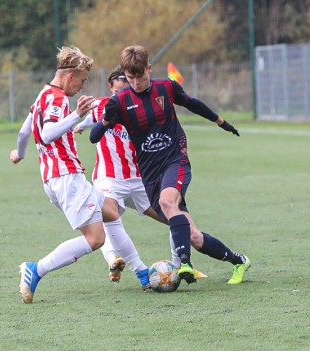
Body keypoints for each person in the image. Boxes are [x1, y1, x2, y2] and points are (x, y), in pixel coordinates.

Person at [89, 45, 250, 285]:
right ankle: (239, 261)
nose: (136, 83)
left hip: (176, 159)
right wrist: (105, 120)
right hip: (149, 173)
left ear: (149, 69)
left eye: (140, 76)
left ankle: (184, 263)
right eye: (130, 78)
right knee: (193, 235)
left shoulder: (166, 88)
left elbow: (192, 103)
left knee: (167, 202)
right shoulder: (120, 101)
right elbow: (94, 136)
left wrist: (220, 121)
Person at [9, 46, 150, 304]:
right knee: (96, 239)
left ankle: (142, 272)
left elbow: (23, 132)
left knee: (112, 211)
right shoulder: (58, 98)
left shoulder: (42, 94)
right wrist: (77, 114)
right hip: (66, 177)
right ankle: (35, 269)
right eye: (83, 80)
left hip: (57, 178)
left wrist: (19, 153)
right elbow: (50, 132)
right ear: (70, 76)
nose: (82, 87)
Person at [74, 66, 207, 283]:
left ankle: (179, 266)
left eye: (126, 89)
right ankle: (120, 263)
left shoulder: (139, 106)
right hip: (110, 179)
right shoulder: (102, 107)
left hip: (140, 179)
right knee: (107, 218)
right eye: (117, 91)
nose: (122, 95)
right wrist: (78, 126)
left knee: (174, 216)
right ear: (110, 88)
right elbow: (86, 121)